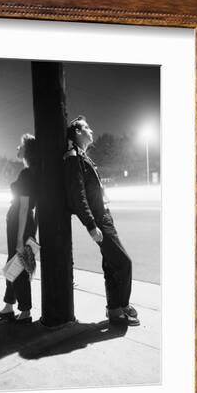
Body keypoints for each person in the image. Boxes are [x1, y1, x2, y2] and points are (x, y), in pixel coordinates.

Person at [63, 115, 140, 326]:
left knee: (110, 266)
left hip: (104, 215)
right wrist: (91, 225)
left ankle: (114, 311)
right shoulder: (73, 157)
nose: (91, 130)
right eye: (86, 127)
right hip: (99, 219)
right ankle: (123, 305)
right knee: (124, 263)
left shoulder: (82, 156)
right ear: (77, 132)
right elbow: (77, 195)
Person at [0, 133, 38, 324]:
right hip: (22, 223)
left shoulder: (27, 174)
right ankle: (9, 305)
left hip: (20, 224)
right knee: (14, 264)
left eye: (20, 146)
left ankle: (25, 311)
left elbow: (25, 207)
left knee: (18, 265)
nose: (17, 149)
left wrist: (20, 239)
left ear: (27, 150)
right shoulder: (31, 172)